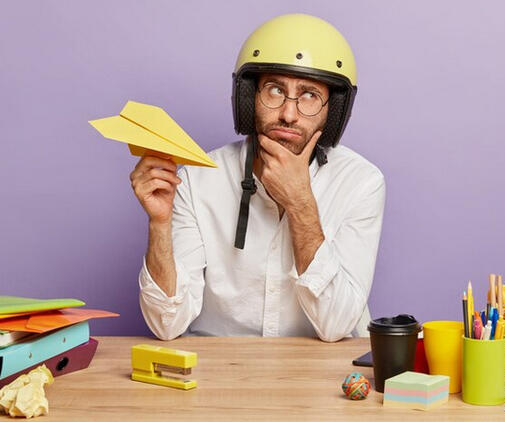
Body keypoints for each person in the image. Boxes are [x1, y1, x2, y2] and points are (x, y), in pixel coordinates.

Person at [129, 14, 385, 342]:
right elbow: (166, 324)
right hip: (222, 366)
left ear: (332, 111)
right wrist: (159, 224)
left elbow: (336, 324)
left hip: (321, 368)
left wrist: (301, 203)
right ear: (248, 98)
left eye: (309, 95)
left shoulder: (362, 182)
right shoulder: (196, 179)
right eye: (275, 90)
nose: (288, 115)